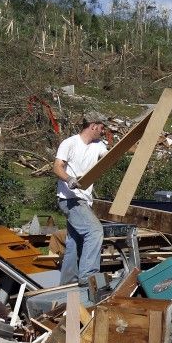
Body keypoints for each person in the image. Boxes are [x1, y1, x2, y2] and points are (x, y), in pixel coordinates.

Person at [53, 111, 109, 286]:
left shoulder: (98, 145)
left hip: (84, 200)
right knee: (94, 231)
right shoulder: (69, 143)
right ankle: (88, 277)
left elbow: (109, 156)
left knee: (74, 242)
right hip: (69, 199)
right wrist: (69, 179)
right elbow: (57, 167)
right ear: (93, 125)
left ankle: (67, 283)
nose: (103, 131)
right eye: (101, 127)